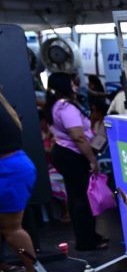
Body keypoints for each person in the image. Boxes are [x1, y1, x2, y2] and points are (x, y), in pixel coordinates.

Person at [43, 73, 106, 251]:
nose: (76, 86)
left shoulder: (55, 105)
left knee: (76, 197)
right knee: (83, 199)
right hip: (73, 155)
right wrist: (92, 159)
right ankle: (87, 241)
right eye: (72, 83)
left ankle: (87, 237)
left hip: (65, 153)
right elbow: (78, 137)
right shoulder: (66, 107)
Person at [0, 92, 39, 272]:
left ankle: (32, 270)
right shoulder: (4, 105)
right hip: (15, 166)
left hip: (8, 171)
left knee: (12, 229)